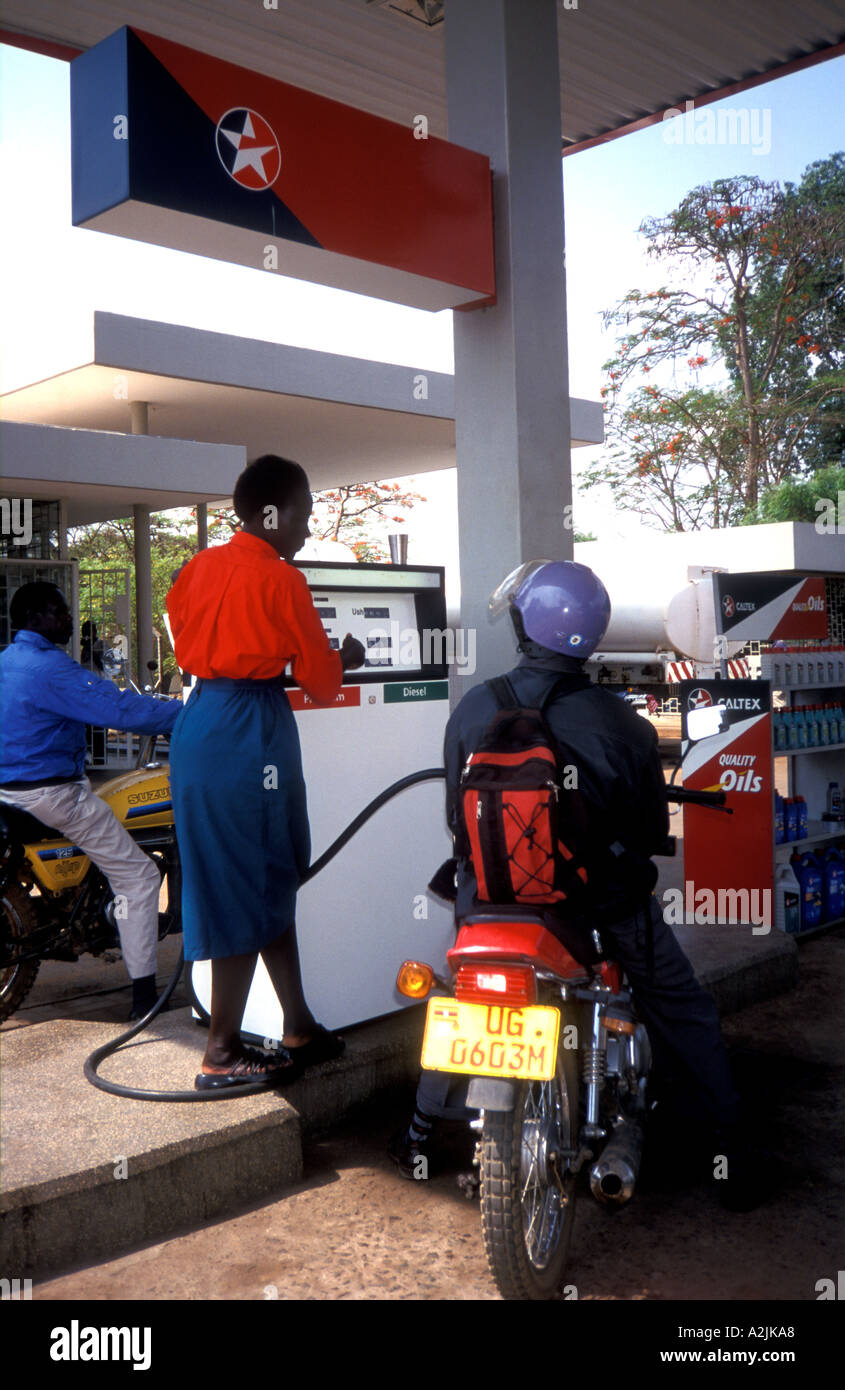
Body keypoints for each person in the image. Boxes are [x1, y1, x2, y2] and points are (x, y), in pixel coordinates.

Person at [390, 559, 759, 1211]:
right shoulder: (622, 725)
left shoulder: (474, 707)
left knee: (470, 1001)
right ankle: (729, 1155)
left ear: (525, 625)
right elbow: (647, 829)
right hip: (600, 911)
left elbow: (456, 816)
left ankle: (417, 1133)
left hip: (492, 905)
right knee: (683, 1008)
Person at [166, 454, 365, 1091]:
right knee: (249, 882)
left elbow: (191, 642)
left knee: (266, 874)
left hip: (202, 724)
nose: (306, 530)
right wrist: (349, 654)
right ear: (272, 514)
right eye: (304, 515)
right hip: (251, 730)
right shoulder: (284, 581)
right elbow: (324, 681)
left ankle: (298, 1023)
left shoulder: (193, 569)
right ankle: (220, 1054)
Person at [0, 581, 180, 1019]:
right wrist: (197, 714)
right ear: (38, 616)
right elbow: (121, 710)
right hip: (54, 795)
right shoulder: (50, 669)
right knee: (138, 878)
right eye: (61, 611)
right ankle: (143, 1000)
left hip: (10, 792)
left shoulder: (7, 660)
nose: (69, 619)